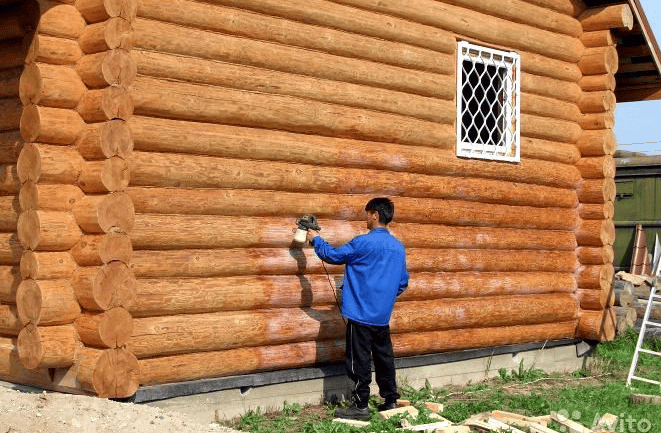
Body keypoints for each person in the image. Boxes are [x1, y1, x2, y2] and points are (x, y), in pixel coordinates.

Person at [306, 197, 409, 421]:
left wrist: (315, 239)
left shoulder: (363, 243)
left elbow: (331, 255)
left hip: (361, 314)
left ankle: (360, 406)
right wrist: (383, 298)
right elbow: (402, 283)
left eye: (367, 213)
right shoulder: (398, 247)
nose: (366, 218)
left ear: (375, 215)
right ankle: (390, 400)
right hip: (382, 316)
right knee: (384, 359)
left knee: (358, 360)